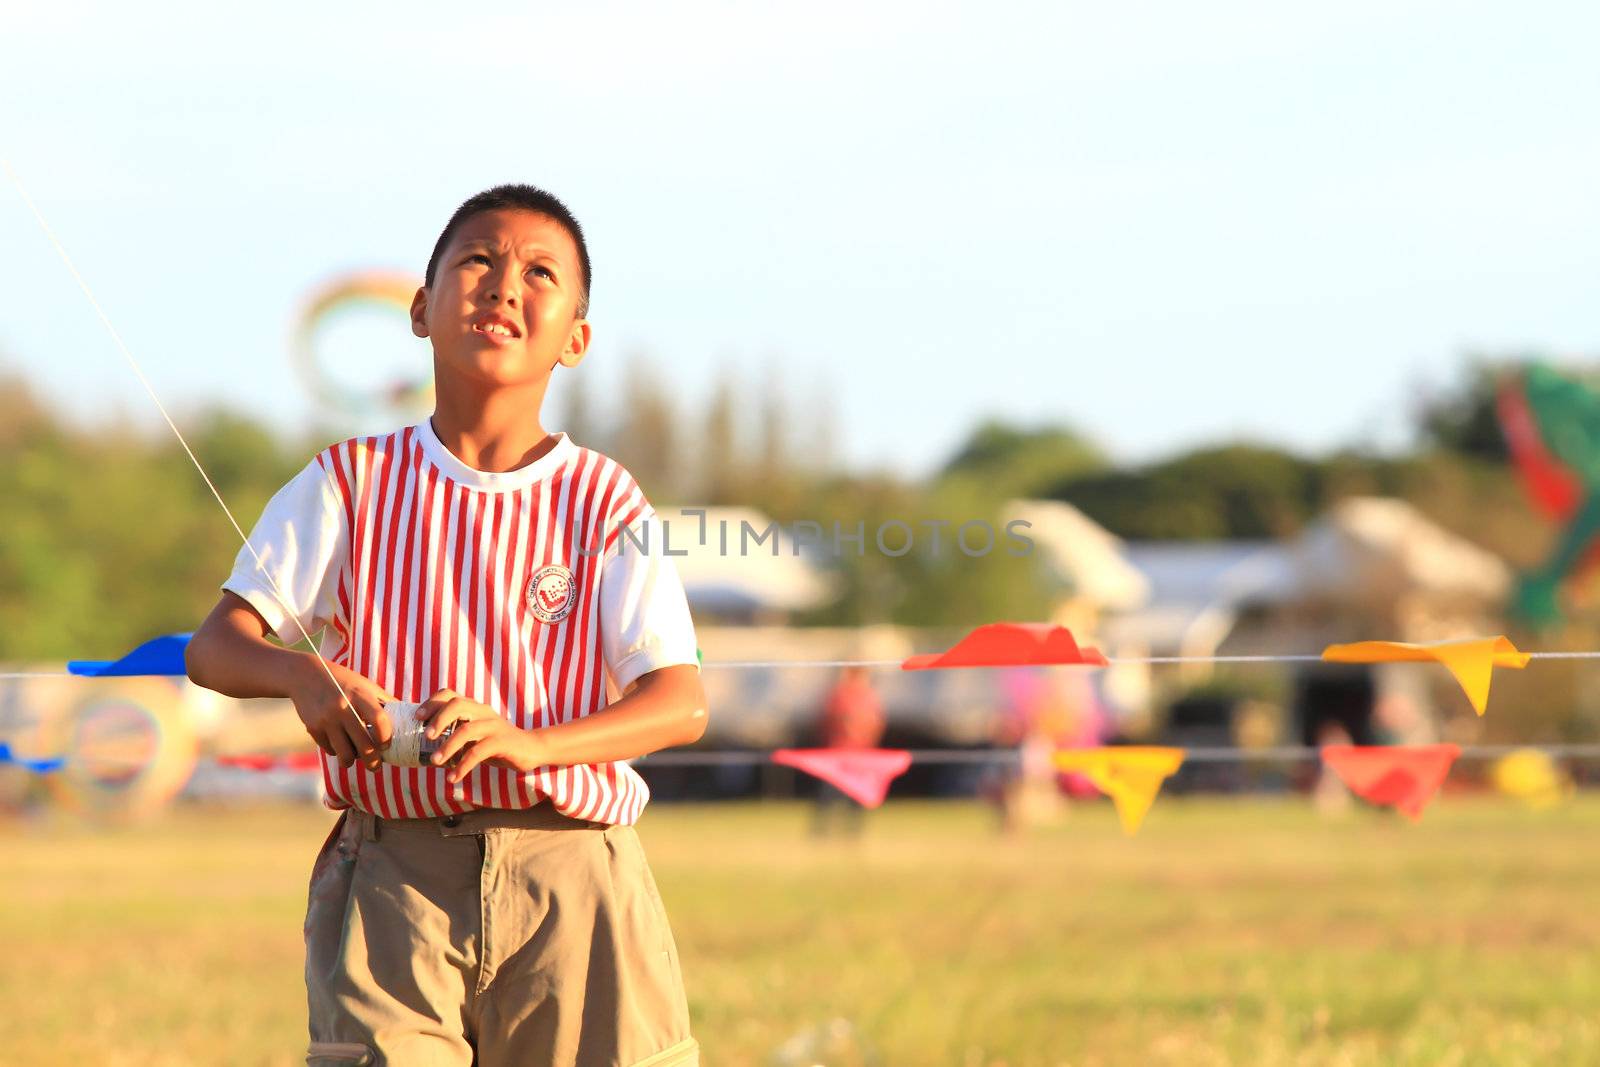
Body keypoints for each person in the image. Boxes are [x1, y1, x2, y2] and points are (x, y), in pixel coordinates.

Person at [185, 185, 708, 1066]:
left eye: (540, 272)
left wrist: (534, 746)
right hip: (393, 877)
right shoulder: (347, 483)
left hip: (572, 873)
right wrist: (301, 676)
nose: (505, 286)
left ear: (575, 338)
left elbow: (680, 703)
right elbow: (215, 645)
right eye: (478, 259)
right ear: (422, 309)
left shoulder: (605, 500)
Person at [810, 665, 885, 836]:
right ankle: (821, 831)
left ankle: (853, 832)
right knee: (828, 794)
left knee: (857, 795)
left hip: (861, 753)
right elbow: (829, 720)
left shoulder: (867, 695)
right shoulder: (841, 694)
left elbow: (876, 723)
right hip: (839, 751)